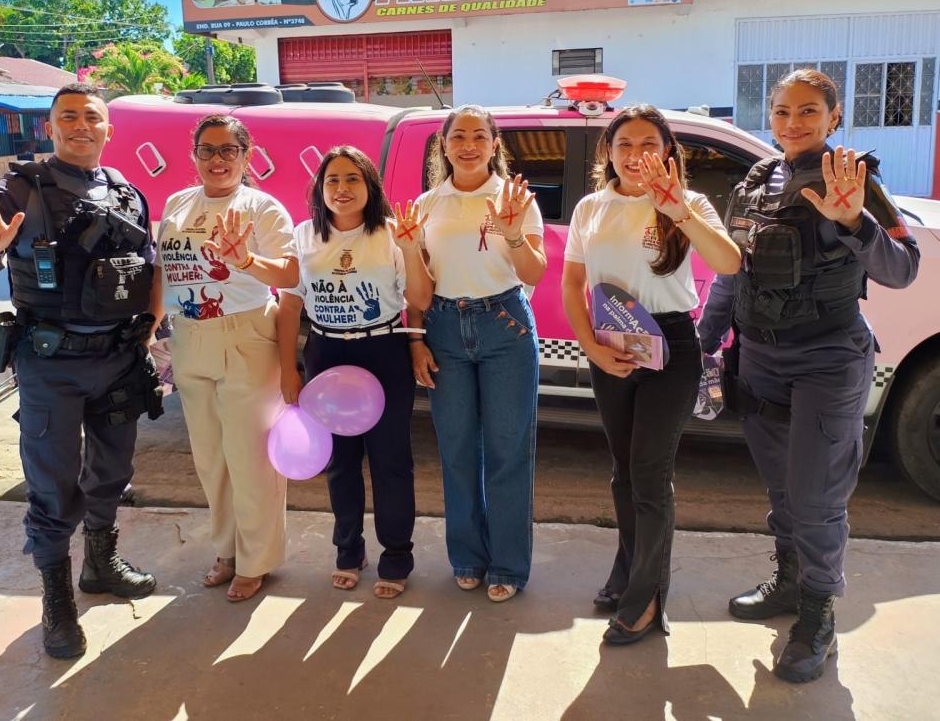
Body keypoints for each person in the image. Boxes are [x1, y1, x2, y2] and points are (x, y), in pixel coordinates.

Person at [698, 69, 919, 682]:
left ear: (834, 118)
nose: (793, 123)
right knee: (782, 489)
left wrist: (855, 223)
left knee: (818, 499)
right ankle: (792, 582)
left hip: (829, 357)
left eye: (808, 111)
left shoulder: (854, 180)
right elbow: (731, 273)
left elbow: (903, 271)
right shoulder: (754, 183)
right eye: (782, 111)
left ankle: (818, 613)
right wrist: (706, 341)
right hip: (762, 358)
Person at [0, 82, 162, 659]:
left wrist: (151, 331)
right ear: (50, 127)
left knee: (112, 470)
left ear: (107, 129)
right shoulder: (18, 190)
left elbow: (145, 270)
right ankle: (57, 599)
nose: (80, 125)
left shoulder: (127, 193)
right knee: (51, 485)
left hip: (119, 358)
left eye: (91, 117)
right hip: (51, 363)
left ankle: (100, 564)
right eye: (67, 116)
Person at [561, 104, 741, 645]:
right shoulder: (591, 207)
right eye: (624, 145)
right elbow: (573, 286)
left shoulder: (689, 203)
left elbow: (729, 262)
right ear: (608, 154)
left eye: (648, 144)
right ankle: (629, 573)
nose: (636, 155)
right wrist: (590, 347)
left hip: (670, 346)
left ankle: (646, 601)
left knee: (649, 474)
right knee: (623, 471)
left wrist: (678, 210)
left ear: (667, 152)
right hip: (610, 343)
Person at [156, 114, 298, 603]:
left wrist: (245, 262)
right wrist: (149, 329)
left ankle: (257, 560)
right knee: (211, 458)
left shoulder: (263, 207)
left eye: (228, 151)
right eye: (207, 150)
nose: (217, 160)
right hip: (189, 336)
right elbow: (163, 273)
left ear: (246, 156)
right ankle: (227, 551)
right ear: (193, 154)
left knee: (250, 457)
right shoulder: (176, 204)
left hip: (246, 337)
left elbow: (290, 272)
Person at [278, 146, 432, 599]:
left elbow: (420, 301)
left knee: (390, 463)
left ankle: (397, 556)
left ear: (370, 187)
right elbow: (290, 304)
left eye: (352, 180)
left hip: (383, 352)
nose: (342, 189)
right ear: (320, 189)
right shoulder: (304, 234)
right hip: (326, 353)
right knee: (339, 463)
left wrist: (409, 245)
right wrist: (290, 367)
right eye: (332, 181)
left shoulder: (390, 234)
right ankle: (348, 551)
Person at [408, 105, 547, 603]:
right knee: (457, 450)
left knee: (509, 453)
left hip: (504, 324)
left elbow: (533, 274)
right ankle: (467, 556)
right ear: (443, 145)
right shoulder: (426, 205)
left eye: (479, 136)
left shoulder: (515, 199)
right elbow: (418, 291)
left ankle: (509, 564)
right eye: (458, 135)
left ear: (494, 144)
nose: (468, 144)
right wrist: (416, 339)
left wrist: (510, 230)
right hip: (444, 325)